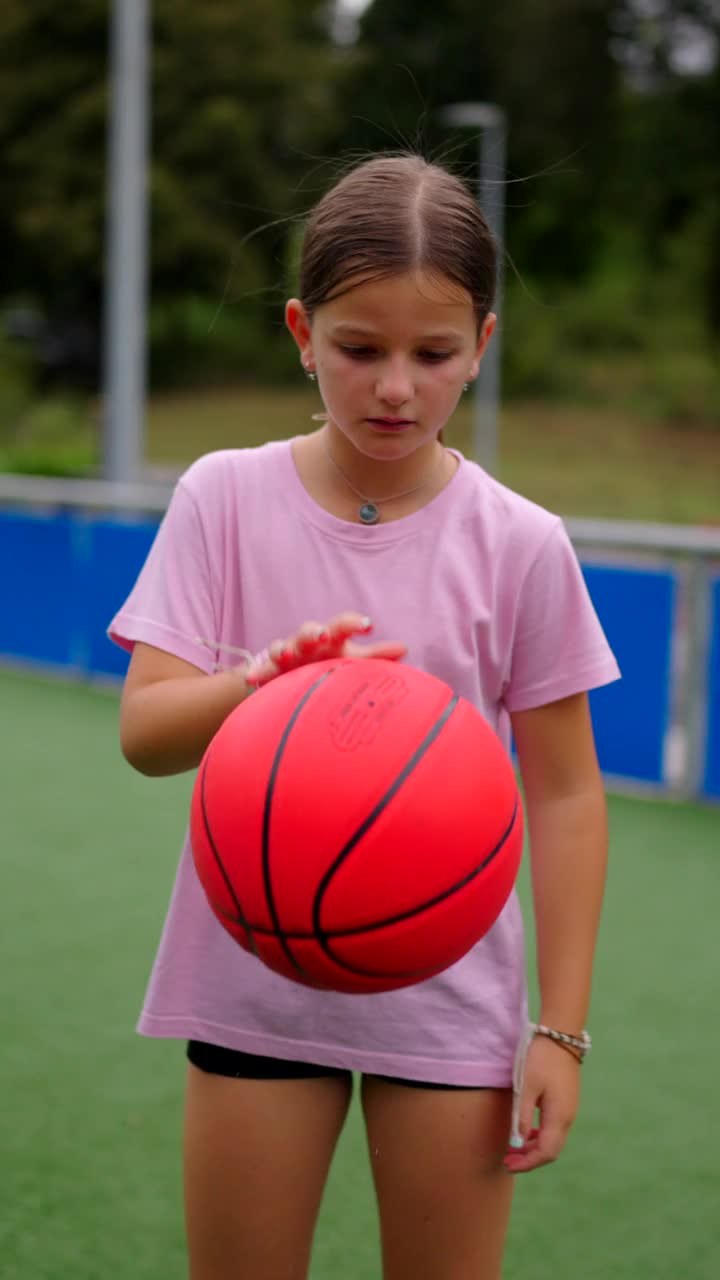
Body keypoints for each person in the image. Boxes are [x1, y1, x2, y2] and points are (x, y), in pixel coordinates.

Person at [110, 153, 620, 1280]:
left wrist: (562, 1028)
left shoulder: (521, 541)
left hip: (450, 1000)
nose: (396, 385)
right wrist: (258, 684)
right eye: (358, 348)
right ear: (301, 330)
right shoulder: (225, 496)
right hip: (255, 978)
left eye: (434, 355)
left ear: (482, 346)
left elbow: (568, 788)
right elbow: (145, 731)